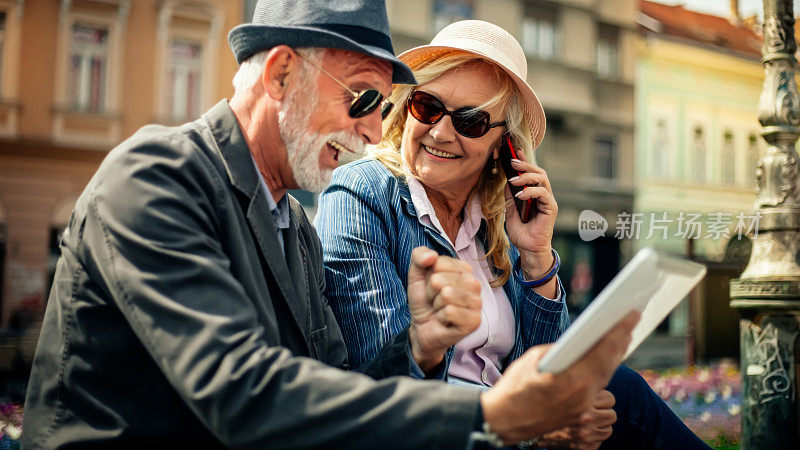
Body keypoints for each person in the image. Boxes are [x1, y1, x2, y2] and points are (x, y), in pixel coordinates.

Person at [23, 2, 639, 449]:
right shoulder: (155, 176)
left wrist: (420, 346)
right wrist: (492, 416)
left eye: (385, 107)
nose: (377, 131)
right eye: (366, 99)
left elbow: (340, 385)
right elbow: (244, 393)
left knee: (627, 392)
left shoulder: (288, 219)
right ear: (281, 74)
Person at [315, 20, 711, 449]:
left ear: (504, 147)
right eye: (427, 106)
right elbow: (385, 376)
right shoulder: (361, 192)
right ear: (406, 106)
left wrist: (538, 253)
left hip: (507, 429)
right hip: (444, 435)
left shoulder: (497, 222)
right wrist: (531, 429)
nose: (442, 132)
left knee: (618, 392)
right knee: (628, 397)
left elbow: (552, 365)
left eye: (470, 121)